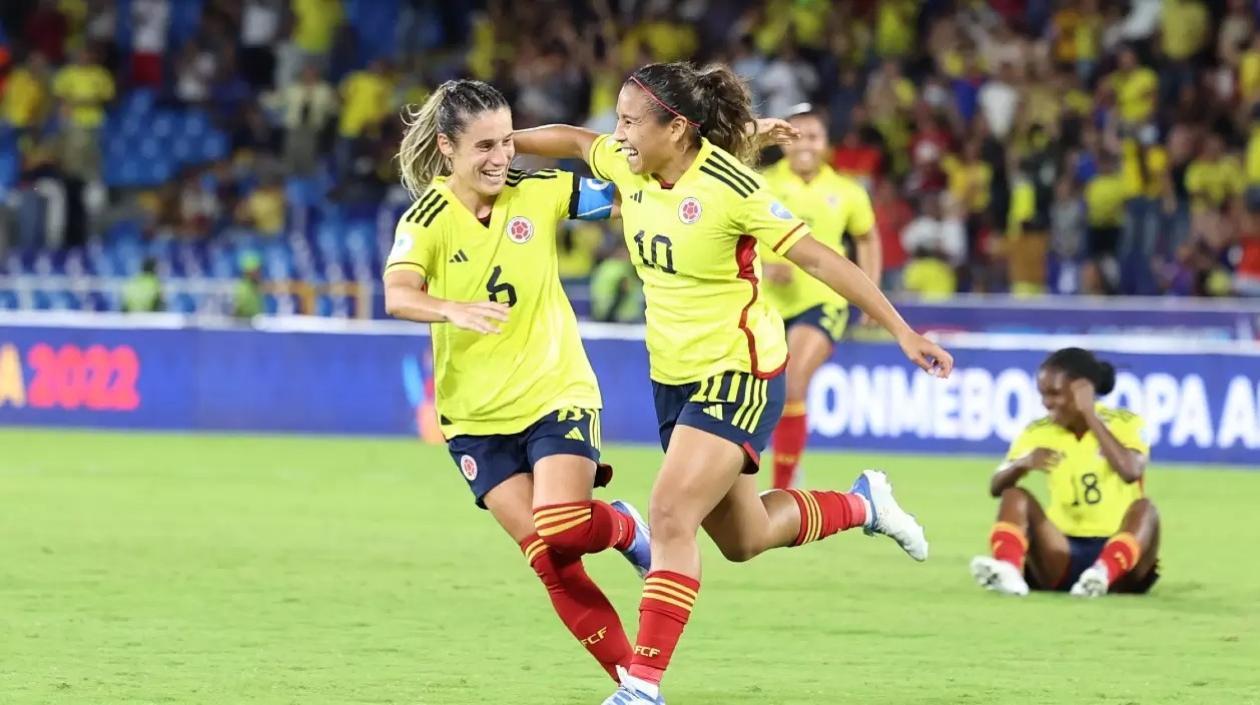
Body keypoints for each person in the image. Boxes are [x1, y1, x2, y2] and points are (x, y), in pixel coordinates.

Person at [512, 62, 953, 705]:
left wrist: (902, 330)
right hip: (673, 378)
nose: (619, 133)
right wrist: (504, 143)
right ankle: (865, 504)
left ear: (676, 128)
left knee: (669, 515)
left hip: (739, 371)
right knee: (745, 539)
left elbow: (821, 258)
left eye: (631, 121)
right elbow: (577, 142)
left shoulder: (733, 186)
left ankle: (643, 684)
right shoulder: (628, 165)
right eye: (619, 120)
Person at [381, 79, 650, 683]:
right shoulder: (426, 219)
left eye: (507, 141)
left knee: (562, 525)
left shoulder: (541, 191)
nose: (501, 157)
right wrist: (450, 308)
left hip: (556, 392)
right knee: (552, 561)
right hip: (474, 420)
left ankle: (626, 528)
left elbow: (631, 195)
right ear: (447, 147)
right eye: (484, 146)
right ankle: (635, 685)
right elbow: (398, 294)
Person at [760, 104, 883, 490]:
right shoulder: (759, 183)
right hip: (762, 303)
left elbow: (867, 238)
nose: (805, 145)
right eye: (796, 136)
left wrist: (870, 292)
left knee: (793, 381)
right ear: (783, 142)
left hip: (823, 299)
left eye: (813, 136)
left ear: (826, 143)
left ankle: (782, 487)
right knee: (763, 392)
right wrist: (763, 267)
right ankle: (781, 465)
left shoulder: (847, 192)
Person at [970, 347, 1160, 597]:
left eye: (1054, 393)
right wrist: (1022, 463)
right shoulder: (1038, 431)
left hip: (1123, 563)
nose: (1046, 403)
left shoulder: (1125, 423)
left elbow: (1130, 471)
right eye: (1043, 394)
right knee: (1014, 495)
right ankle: (1008, 570)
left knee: (1146, 509)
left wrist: (1090, 415)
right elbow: (996, 486)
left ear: (1083, 389)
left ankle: (1102, 573)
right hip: (1062, 553)